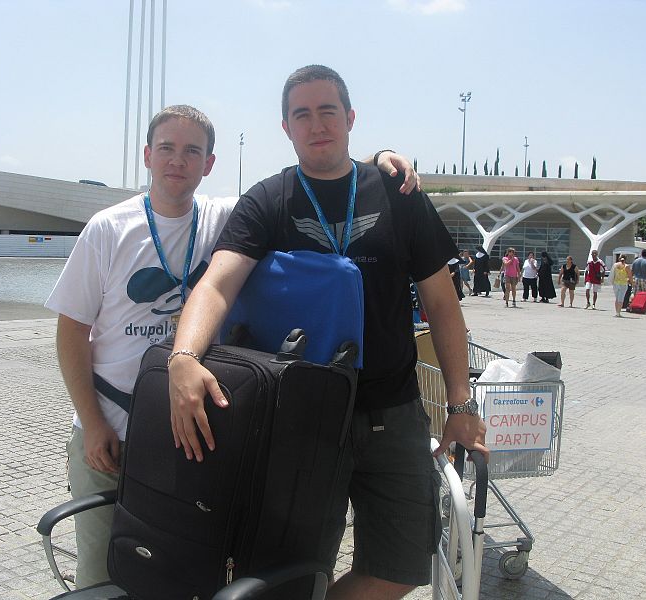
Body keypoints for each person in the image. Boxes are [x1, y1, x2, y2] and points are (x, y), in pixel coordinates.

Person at [44, 104, 419, 588]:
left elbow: (314, 177)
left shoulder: (224, 217)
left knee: (173, 572)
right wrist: (92, 424)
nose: (178, 160)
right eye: (167, 149)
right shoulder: (108, 229)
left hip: (181, 434)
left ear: (209, 163)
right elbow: (71, 332)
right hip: (111, 429)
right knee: (104, 574)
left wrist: (379, 159)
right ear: (147, 156)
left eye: (192, 151)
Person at [167, 65, 487, 600]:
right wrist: (183, 356)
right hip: (300, 418)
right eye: (302, 114)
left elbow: (442, 303)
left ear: (350, 118)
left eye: (328, 111)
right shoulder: (268, 201)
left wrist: (459, 405)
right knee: (285, 573)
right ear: (286, 128)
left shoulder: (396, 192)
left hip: (391, 412)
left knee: (403, 564)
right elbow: (218, 283)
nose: (317, 125)